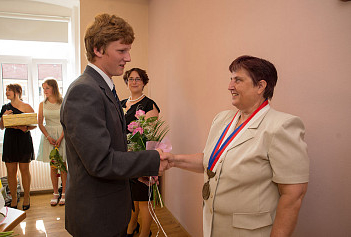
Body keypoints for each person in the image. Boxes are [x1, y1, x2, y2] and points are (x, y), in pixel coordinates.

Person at [163, 55, 309, 237]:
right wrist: (174, 160)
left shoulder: (281, 126)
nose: (230, 86)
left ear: (260, 86)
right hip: (213, 225)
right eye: (231, 79)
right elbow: (212, 161)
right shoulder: (222, 119)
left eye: (238, 80)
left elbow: (293, 196)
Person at [60, 13, 167, 237]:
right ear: (98, 49)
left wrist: (136, 171)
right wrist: (154, 159)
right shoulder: (85, 90)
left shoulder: (103, 87)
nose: (128, 58)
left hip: (109, 209)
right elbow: (100, 162)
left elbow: (110, 147)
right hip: (96, 216)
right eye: (121, 50)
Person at [121, 68, 160, 237]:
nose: (134, 82)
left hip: (142, 156)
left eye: (138, 79)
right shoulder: (120, 104)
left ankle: (145, 233)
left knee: (144, 200)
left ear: (144, 82)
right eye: (131, 79)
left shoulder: (149, 104)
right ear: (126, 81)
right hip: (124, 157)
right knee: (131, 198)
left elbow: (149, 133)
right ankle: (131, 226)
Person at [0, 84, 36, 210]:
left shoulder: (27, 107)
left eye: (9, 90)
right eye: (6, 90)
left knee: (24, 170)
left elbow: (34, 125)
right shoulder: (5, 108)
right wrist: (4, 117)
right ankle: (14, 198)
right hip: (10, 141)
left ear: (17, 92)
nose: (7, 92)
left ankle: (26, 196)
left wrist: (23, 128)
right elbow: (2, 126)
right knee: (11, 172)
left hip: (23, 140)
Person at [37, 78, 66, 206]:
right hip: (49, 137)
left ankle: (64, 192)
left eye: (47, 88)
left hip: (62, 135)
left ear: (54, 88)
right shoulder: (42, 104)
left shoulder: (63, 101)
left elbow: (67, 121)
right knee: (53, 165)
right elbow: (39, 123)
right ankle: (55, 193)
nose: (45, 91)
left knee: (63, 165)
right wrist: (48, 137)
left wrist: (60, 138)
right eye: (43, 88)